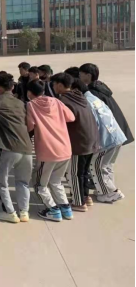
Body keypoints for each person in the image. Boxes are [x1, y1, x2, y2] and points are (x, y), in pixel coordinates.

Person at [71, 79, 127, 203]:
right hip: (116, 135)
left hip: (106, 140)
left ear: (76, 90)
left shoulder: (86, 103)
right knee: (106, 166)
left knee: (96, 166)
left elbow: (93, 123)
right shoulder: (94, 98)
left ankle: (112, 192)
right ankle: (104, 190)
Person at [0, 74, 34, 224]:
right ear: (12, 87)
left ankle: (10, 212)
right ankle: (24, 212)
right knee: (23, 182)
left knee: (2, 182)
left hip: (7, 147)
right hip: (27, 146)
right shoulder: (21, 103)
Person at [26, 80, 75, 222]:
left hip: (47, 151)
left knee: (39, 184)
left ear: (29, 93)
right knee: (56, 181)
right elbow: (71, 117)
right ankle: (66, 208)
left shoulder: (31, 105)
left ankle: (53, 210)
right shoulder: (56, 101)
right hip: (65, 148)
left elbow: (30, 126)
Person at [52, 73, 99, 212]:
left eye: (54, 84)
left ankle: (79, 203)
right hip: (91, 140)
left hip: (79, 143)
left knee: (74, 174)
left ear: (60, 85)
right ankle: (85, 197)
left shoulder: (64, 101)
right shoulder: (79, 97)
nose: (53, 87)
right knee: (83, 172)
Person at [80, 63, 134, 147]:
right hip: (117, 129)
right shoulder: (100, 86)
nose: (79, 76)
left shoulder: (93, 93)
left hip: (112, 132)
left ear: (88, 75)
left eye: (80, 74)